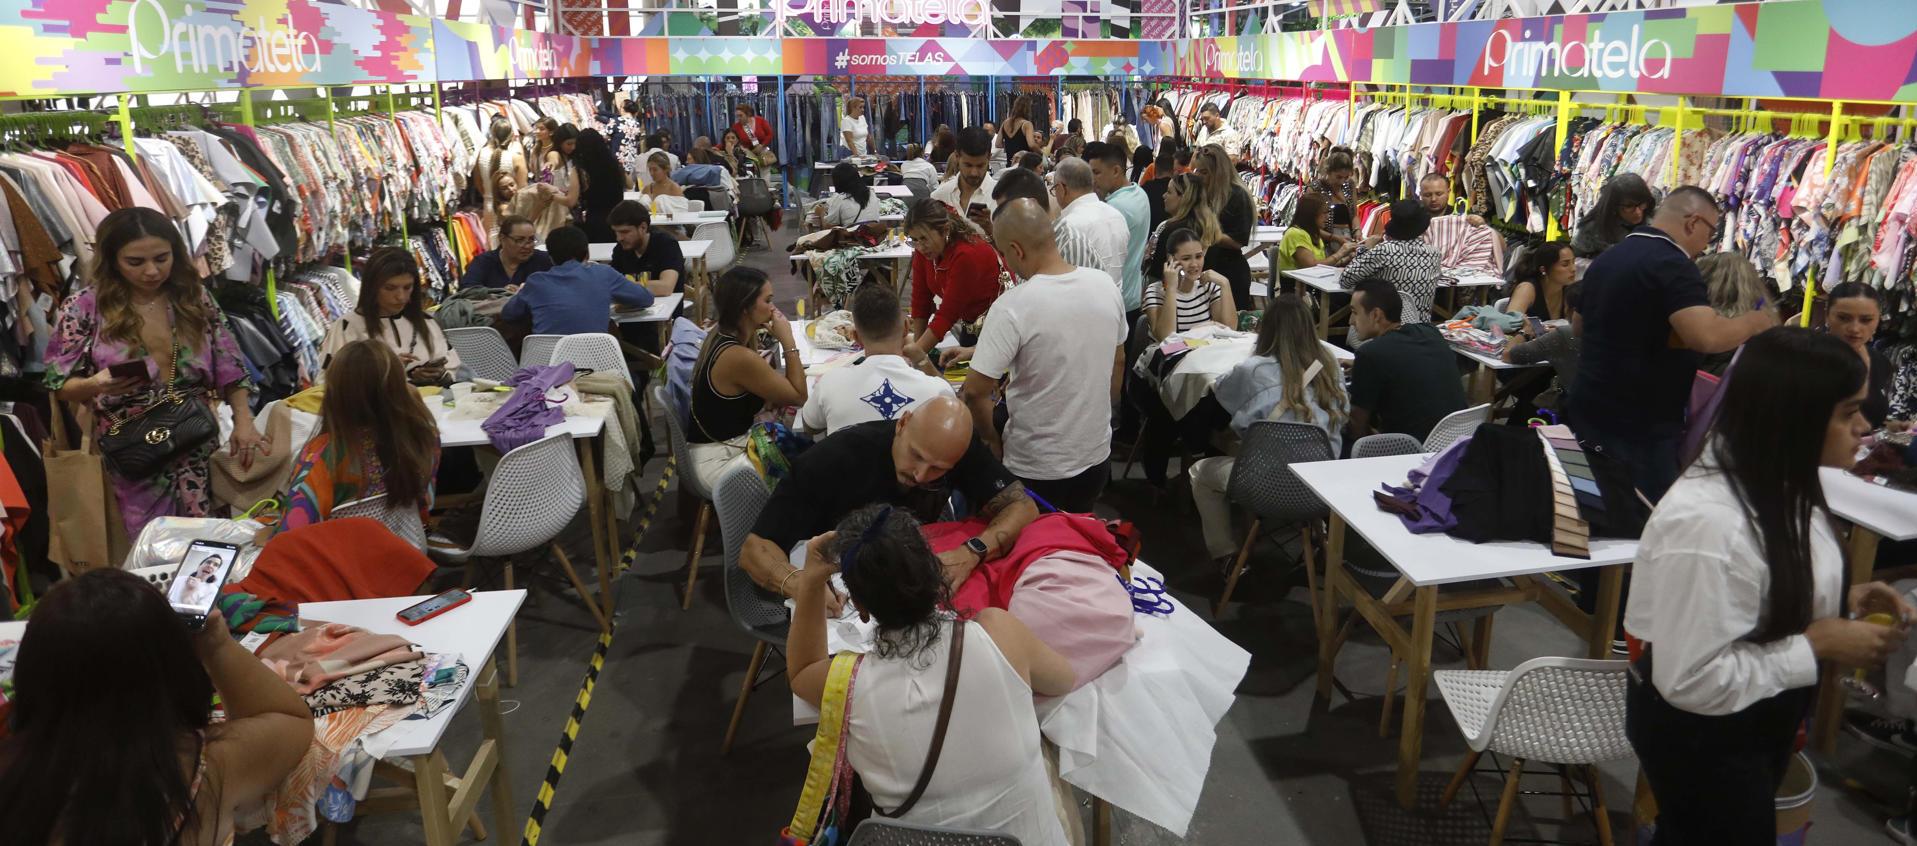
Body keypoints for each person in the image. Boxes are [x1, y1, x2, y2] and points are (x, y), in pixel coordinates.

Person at [1625, 326, 1910, 845]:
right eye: (1848, 412)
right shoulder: (1710, 524)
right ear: (1795, 416)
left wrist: (1836, 599)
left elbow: (1752, 585)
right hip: (1707, 737)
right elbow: (1691, 681)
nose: (1864, 427)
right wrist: (1816, 643)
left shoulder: (1777, 479)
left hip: (1749, 722)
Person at [786, 506, 1075, 846]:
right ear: (936, 570)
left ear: (860, 607)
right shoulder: (999, 633)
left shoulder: (848, 683)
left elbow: (802, 670)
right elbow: (1063, 679)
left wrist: (812, 578)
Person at [0, 569, 314, 846]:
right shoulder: (204, 769)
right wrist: (215, 642)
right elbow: (290, 718)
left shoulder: (15, 782)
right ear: (173, 669)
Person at [46, 207, 265, 540]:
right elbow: (58, 384)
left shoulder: (192, 297)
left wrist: (244, 421)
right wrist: (94, 384)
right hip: (132, 448)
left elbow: (229, 362)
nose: (151, 271)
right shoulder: (84, 307)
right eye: (135, 262)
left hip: (195, 436)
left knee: (209, 538)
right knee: (150, 542)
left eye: (162, 258)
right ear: (112, 259)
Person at [1568, 186, 1778, 501]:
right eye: (1711, 231)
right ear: (1693, 222)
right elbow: (1706, 336)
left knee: (1589, 503)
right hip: (1639, 422)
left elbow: (1579, 326)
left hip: (1589, 406)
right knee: (1641, 513)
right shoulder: (1673, 265)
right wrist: (1756, 321)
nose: (1707, 243)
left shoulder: (1609, 257)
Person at [743, 393, 1038, 597]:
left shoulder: (956, 448)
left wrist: (971, 552)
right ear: (903, 424)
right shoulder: (833, 458)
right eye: (916, 455)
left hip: (903, 575)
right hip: (832, 577)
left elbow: (1024, 507)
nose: (920, 475)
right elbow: (754, 550)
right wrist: (802, 587)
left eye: (938, 469)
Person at [962, 199, 1127, 513]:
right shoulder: (1105, 285)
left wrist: (991, 439)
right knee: (1080, 533)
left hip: (1036, 467)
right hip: (1095, 457)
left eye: (1004, 253)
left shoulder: (1013, 306)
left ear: (1016, 250)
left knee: (1036, 539)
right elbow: (1117, 361)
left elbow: (974, 391)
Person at [1190, 295, 1349, 562]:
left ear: (1266, 329)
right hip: (1322, 486)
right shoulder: (1330, 366)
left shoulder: (1252, 369)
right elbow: (1342, 417)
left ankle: (1226, 556)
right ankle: (1318, 534)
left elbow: (1222, 392)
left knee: (1200, 473)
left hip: (1266, 485)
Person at [284, 340, 440, 532]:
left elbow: (293, 532)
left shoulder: (323, 456)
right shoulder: (425, 435)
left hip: (342, 550)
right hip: (407, 544)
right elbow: (427, 503)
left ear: (334, 392)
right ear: (399, 385)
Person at [685, 267, 805, 490]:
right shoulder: (738, 356)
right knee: (807, 473)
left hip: (719, 445)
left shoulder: (720, 334)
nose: (773, 308)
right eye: (767, 300)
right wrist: (788, 341)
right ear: (745, 308)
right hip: (720, 460)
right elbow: (798, 396)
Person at [799, 284, 948, 437]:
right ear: (905, 327)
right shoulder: (936, 391)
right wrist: (923, 360)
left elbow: (810, 426)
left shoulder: (829, 384)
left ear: (856, 337)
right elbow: (954, 408)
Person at [1345, 278, 1467, 445]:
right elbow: (1407, 364)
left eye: (1354, 312)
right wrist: (1358, 366)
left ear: (1376, 315)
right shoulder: (1430, 332)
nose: (1351, 321)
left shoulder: (1370, 354)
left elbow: (1356, 429)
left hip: (1408, 450)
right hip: (1457, 443)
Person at [320, 247, 460, 385]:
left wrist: (438, 375)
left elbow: (452, 369)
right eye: (390, 288)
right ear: (372, 287)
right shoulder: (347, 326)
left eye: (407, 287)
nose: (401, 297)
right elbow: (328, 382)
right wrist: (384, 371)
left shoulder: (427, 323)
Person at [501, 225, 655, 335]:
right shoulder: (603, 274)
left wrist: (523, 293)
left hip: (547, 365)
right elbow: (645, 298)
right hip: (597, 361)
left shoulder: (535, 282)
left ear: (551, 258)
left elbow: (508, 314)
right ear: (587, 253)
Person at [906, 198, 1003, 356]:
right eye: (914, 240)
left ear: (945, 230)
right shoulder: (925, 251)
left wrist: (917, 354)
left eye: (924, 238)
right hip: (972, 322)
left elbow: (947, 315)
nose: (920, 247)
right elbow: (920, 300)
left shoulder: (966, 255)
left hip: (999, 325)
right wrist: (918, 348)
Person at [1339, 199, 1443, 325]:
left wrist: (1365, 248)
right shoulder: (1434, 253)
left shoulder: (1385, 250)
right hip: (1420, 327)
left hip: (1385, 328)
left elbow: (1346, 279)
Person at [1824, 281, 1906, 431]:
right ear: (1827, 316)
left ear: (1878, 320)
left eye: (1866, 320)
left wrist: (1890, 427)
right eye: (1843, 318)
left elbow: (1868, 415)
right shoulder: (1806, 360)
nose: (1855, 328)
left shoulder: (1879, 362)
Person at [1087, 140, 1150, 326]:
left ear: (1115, 171)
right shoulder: (1139, 193)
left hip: (1116, 300)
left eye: (1096, 172)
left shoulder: (1113, 209)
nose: (1092, 180)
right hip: (1132, 295)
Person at [1049, 157, 1130, 290]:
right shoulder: (1117, 216)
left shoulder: (1068, 226)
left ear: (1062, 188)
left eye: (1054, 189)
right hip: (1115, 297)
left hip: (1082, 298)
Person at [1144, 228, 1237, 340]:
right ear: (1171, 259)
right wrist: (1171, 288)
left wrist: (1225, 284)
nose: (1194, 264)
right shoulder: (1155, 292)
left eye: (1198, 256)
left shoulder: (1209, 286)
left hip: (1204, 349)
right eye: (1186, 258)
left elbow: (1229, 331)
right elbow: (1166, 337)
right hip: (1171, 351)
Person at [607, 201, 685, 296]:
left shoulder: (667, 245)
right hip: (632, 305)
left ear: (643, 227)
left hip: (668, 305)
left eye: (625, 232)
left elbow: (665, 287)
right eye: (616, 232)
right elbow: (610, 284)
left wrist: (621, 286)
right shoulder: (620, 250)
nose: (619, 238)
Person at [1572, 172, 1657, 259]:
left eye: (1642, 204)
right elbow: (1573, 258)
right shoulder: (1594, 228)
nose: (1638, 212)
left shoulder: (1654, 217)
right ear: (1613, 206)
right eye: (1629, 206)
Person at [460, 214, 553, 292]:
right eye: (519, 240)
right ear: (502, 238)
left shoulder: (545, 260)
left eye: (531, 239)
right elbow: (467, 290)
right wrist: (500, 293)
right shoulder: (483, 262)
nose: (527, 246)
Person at [1193, 144, 1254, 251]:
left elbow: (1238, 241)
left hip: (1225, 258)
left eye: (1204, 172)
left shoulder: (1238, 195)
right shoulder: (1200, 191)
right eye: (1197, 171)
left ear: (1219, 172)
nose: (1198, 176)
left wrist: (1207, 233)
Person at [931, 127, 998, 221]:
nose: (974, 173)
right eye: (968, 165)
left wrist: (989, 228)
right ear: (957, 156)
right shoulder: (939, 196)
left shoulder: (1002, 198)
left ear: (989, 158)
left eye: (980, 166)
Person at [572, 128, 626, 242]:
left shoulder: (583, 168)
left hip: (594, 218)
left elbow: (576, 198)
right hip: (616, 216)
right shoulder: (613, 164)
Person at [474, 116, 528, 230]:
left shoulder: (482, 153)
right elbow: (522, 188)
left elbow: (478, 182)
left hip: (489, 205)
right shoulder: (515, 156)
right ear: (511, 134)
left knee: (492, 238)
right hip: (511, 207)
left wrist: (489, 196)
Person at [1278, 193, 1356, 271]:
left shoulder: (1312, 233)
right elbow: (1311, 266)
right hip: (1297, 279)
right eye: (1324, 213)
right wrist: (1341, 252)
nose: (1327, 216)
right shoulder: (1295, 234)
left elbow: (1322, 265)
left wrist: (1347, 258)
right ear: (1312, 214)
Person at [1505, 239, 1576, 323]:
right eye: (1565, 264)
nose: (1573, 269)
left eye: (1573, 262)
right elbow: (1511, 323)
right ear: (1543, 269)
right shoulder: (1526, 289)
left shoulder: (1569, 289)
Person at [813, 161, 884, 229]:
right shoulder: (871, 192)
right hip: (873, 235)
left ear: (837, 181)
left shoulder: (840, 198)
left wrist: (821, 213)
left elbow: (829, 228)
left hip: (852, 236)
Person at [1313, 148, 1360, 246]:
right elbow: (1309, 225)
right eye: (1338, 177)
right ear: (1328, 172)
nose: (1342, 181)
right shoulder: (1315, 188)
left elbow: (1354, 215)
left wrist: (1357, 230)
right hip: (1323, 241)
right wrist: (1334, 238)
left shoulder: (1349, 185)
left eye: (1346, 177)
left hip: (1347, 238)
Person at [729, 103, 776, 169]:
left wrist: (762, 145)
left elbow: (769, 134)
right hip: (748, 157)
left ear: (748, 114)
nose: (739, 118)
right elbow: (729, 139)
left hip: (763, 156)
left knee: (765, 173)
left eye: (741, 115)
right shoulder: (736, 127)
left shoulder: (760, 121)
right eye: (737, 116)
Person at [1000, 96, 1039, 164]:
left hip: (1010, 162)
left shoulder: (1005, 122)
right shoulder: (1027, 124)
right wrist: (1041, 152)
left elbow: (998, 144)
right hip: (1024, 163)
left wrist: (1010, 145)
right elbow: (1031, 145)